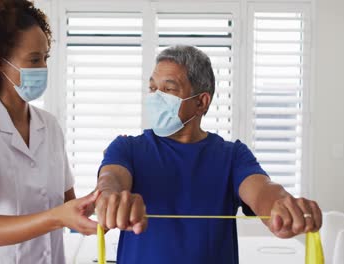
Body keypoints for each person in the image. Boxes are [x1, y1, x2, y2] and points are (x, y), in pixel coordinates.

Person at [94, 45, 323, 264]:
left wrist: (281, 206)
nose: (155, 97)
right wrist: (109, 198)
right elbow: (110, 180)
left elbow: (264, 190)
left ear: (201, 102)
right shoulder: (126, 148)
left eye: (169, 89)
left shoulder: (232, 155)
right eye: (153, 88)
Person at [0, 1, 97, 263]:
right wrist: (57, 217)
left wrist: (101, 197)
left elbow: (69, 205)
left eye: (45, 57)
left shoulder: (50, 126)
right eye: (34, 59)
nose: (43, 68)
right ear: (0, 63)